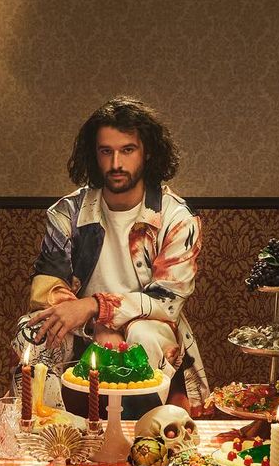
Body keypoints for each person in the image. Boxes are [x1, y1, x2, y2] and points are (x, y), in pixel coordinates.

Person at [25, 96, 209, 417]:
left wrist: (99, 307)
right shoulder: (67, 212)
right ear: (93, 154)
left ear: (147, 152)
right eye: (106, 151)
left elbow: (168, 302)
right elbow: (46, 288)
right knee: (33, 332)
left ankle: (144, 432)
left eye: (127, 150)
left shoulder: (177, 218)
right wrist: (96, 324)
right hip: (84, 329)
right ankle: (47, 428)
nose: (116, 164)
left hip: (150, 327)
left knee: (142, 335)